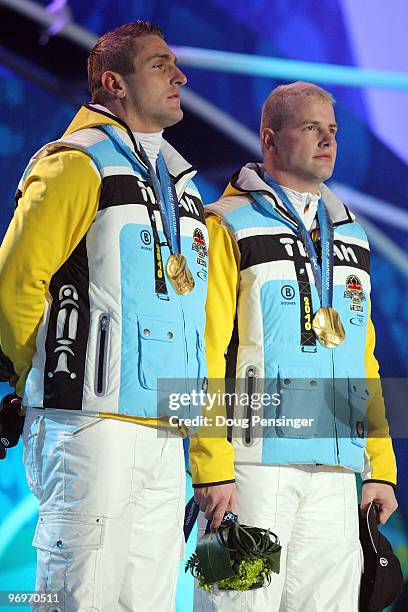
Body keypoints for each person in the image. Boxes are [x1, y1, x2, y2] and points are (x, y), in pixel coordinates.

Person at [0, 21, 235, 612]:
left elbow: (198, 334)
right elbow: (16, 283)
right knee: (76, 596)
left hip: (164, 435)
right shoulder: (75, 164)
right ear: (114, 82)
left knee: (149, 602)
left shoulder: (182, 191)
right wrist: (32, 382)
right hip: (89, 426)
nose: (180, 76)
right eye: (160, 65)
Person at [194, 82, 398, 611]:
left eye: (332, 130)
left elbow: (363, 361)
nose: (327, 140)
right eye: (311, 128)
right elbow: (206, 353)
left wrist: (379, 465)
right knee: (233, 604)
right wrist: (211, 465)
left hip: (335, 475)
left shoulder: (351, 237)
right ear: (270, 138)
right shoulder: (227, 225)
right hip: (251, 468)